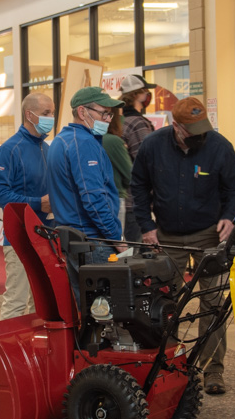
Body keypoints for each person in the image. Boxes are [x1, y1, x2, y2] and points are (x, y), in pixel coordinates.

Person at [131, 96, 235, 396]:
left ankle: (213, 370)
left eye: (202, 128)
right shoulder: (152, 146)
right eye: (192, 130)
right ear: (176, 126)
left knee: (212, 303)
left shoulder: (219, 146)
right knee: (163, 301)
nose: (199, 135)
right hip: (167, 236)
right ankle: (167, 362)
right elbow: (139, 188)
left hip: (209, 235)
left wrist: (227, 216)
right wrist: (147, 226)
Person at [48, 86, 124, 300]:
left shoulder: (61, 140)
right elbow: (93, 199)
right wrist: (116, 239)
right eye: (103, 113)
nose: (108, 119)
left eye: (110, 114)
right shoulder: (83, 144)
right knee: (105, 312)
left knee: (87, 310)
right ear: (82, 112)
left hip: (74, 239)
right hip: (93, 241)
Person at [0, 91, 55, 320]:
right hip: (19, 237)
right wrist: (38, 203)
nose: (51, 118)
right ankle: (8, 353)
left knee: (43, 301)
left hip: (46, 236)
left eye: (52, 113)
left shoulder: (47, 149)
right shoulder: (10, 149)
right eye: (47, 113)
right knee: (17, 301)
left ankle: (38, 352)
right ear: (30, 114)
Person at [119, 74, 157, 242]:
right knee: (139, 254)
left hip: (122, 200)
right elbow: (148, 161)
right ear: (138, 95)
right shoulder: (138, 124)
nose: (148, 95)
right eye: (145, 91)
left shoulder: (119, 122)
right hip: (136, 201)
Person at [102, 107, 132, 233]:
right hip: (115, 197)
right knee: (117, 242)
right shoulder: (114, 141)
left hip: (98, 198)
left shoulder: (91, 138)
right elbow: (130, 175)